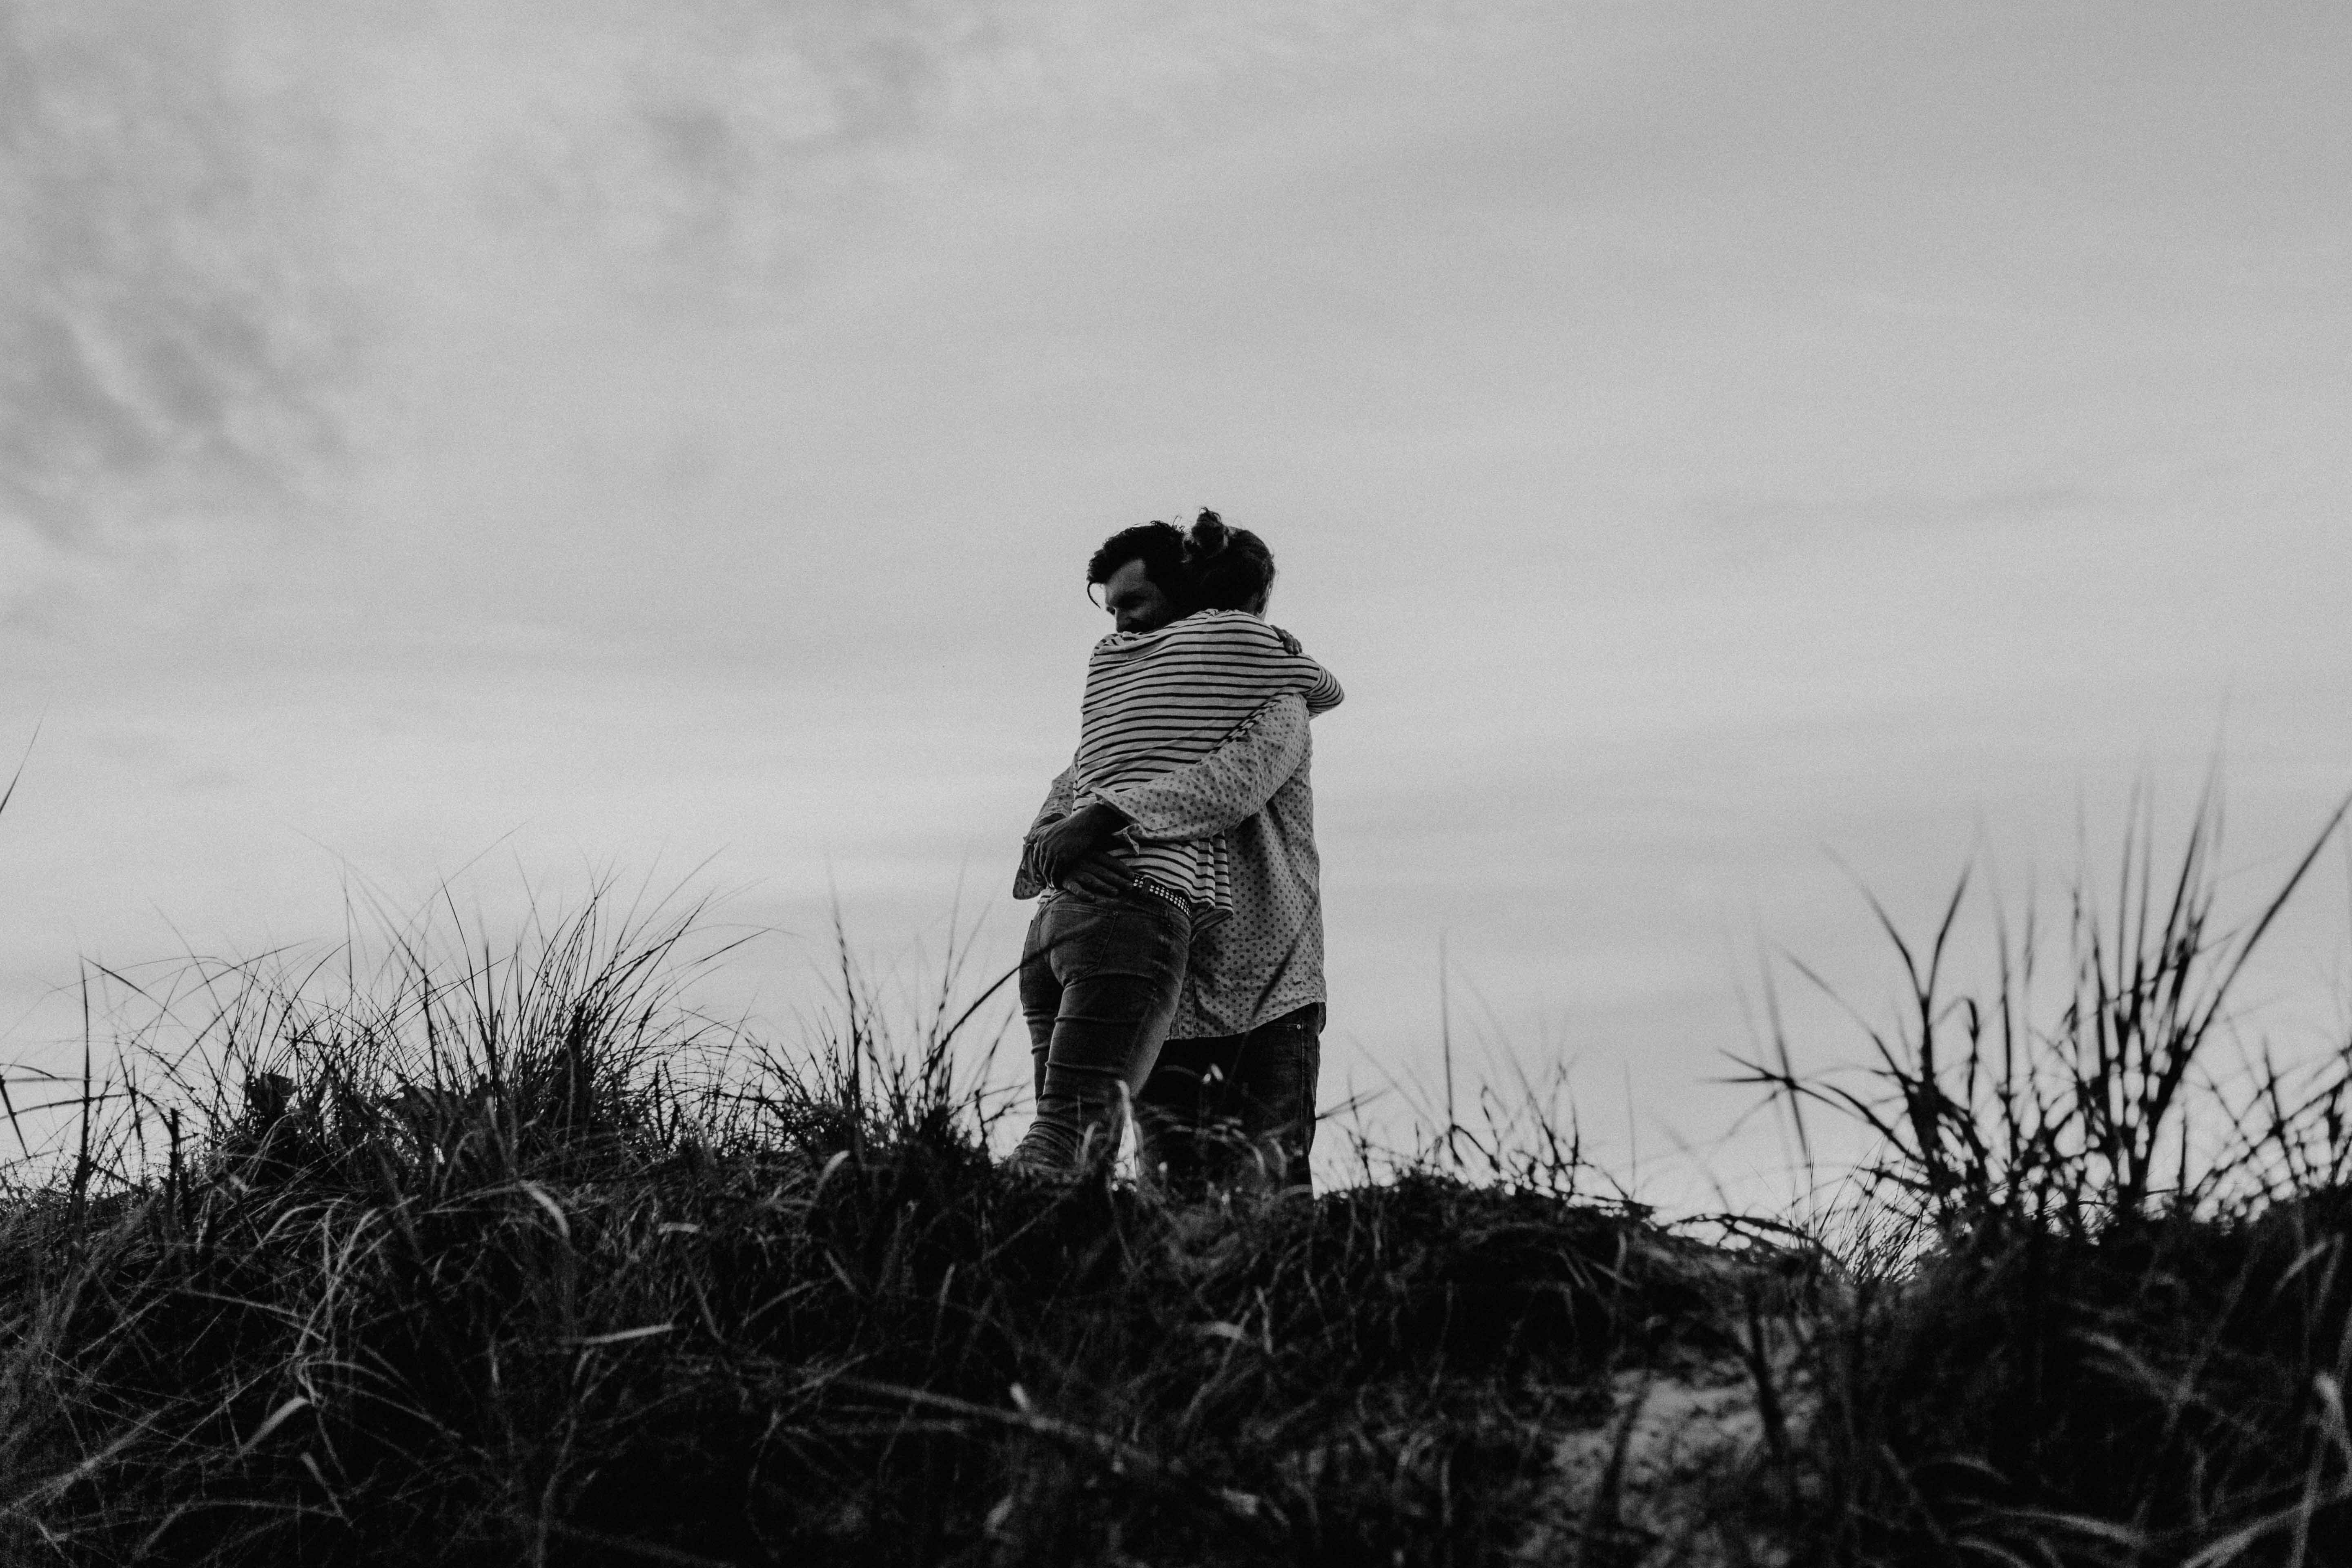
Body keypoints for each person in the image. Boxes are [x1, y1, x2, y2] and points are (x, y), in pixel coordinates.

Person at [1011, 513, 1342, 1177]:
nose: (1120, 628)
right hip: (1165, 983)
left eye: (1134, 605)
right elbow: (1067, 795)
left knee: (1264, 1197)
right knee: (1158, 1195)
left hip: (1264, 991)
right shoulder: (1145, 707)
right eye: (1112, 611)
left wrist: (1106, 820)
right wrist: (1062, 854)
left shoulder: (1275, 700)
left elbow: (1226, 786)